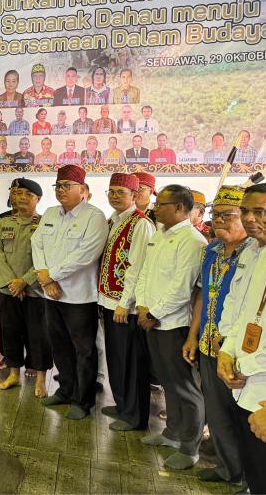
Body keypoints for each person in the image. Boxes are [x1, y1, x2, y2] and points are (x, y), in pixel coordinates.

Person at [136, 185, 208, 470]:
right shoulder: (160, 234)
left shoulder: (192, 240)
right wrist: (142, 305)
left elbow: (182, 287)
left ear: (180, 208)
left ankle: (190, 448)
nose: (155, 207)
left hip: (174, 324)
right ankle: (173, 434)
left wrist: (154, 312)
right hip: (151, 319)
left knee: (185, 387)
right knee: (167, 382)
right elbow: (145, 273)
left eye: (162, 203)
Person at [31, 165, 109, 420]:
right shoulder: (51, 213)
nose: (62, 190)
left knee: (84, 350)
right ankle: (65, 390)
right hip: (50, 295)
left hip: (79, 298)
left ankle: (82, 400)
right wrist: (44, 277)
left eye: (68, 186)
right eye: (59, 186)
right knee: (60, 346)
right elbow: (37, 244)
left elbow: (85, 255)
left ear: (83, 190)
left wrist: (50, 275)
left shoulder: (94, 217)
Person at [184, 186, 249, 484]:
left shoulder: (256, 254)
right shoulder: (210, 251)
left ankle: (251, 476)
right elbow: (201, 296)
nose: (218, 221)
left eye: (228, 215)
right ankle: (229, 469)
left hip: (239, 352)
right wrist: (192, 336)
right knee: (218, 412)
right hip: (208, 344)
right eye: (215, 214)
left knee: (243, 416)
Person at [217, 183, 266, 493]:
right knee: (257, 470)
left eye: (261, 211)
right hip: (244, 380)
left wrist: (245, 363)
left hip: (262, 386)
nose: (251, 218)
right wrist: (227, 353)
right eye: (246, 211)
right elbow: (243, 312)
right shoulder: (257, 251)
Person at [97, 173, 155, 431]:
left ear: (135, 195)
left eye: (121, 191)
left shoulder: (140, 223)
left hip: (125, 307)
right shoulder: (114, 220)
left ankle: (135, 416)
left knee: (131, 363)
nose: (114, 196)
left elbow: (137, 267)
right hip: (109, 301)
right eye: (111, 191)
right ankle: (122, 406)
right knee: (117, 358)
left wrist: (125, 302)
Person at [0, 178, 50, 397]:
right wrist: (11, 282)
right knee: (10, 333)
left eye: (28, 194)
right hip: (9, 291)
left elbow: (47, 257)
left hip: (36, 291)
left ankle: (41, 379)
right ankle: (14, 374)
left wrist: (24, 281)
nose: (22, 198)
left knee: (39, 335)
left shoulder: (46, 224)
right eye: (18, 193)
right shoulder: (4, 223)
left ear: (38, 199)